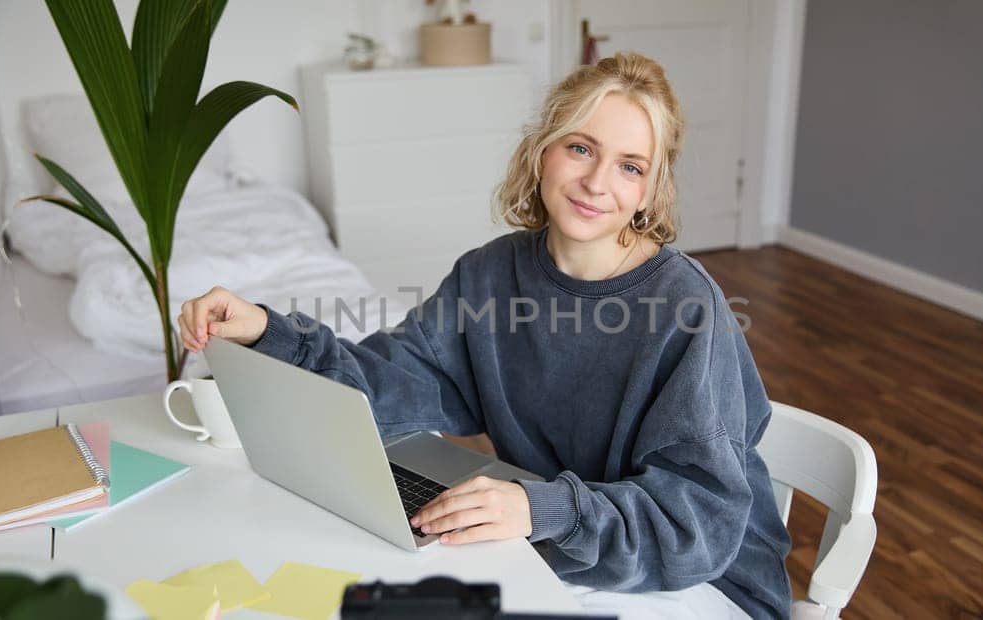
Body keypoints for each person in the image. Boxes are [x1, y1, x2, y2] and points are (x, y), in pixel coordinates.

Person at [178, 52, 792, 618]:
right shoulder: (490, 273)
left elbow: (699, 525)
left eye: (630, 166)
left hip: (702, 579)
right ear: (543, 149)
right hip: (557, 546)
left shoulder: (687, 308)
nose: (597, 182)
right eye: (581, 148)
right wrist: (268, 331)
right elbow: (386, 385)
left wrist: (540, 508)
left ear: (650, 191)